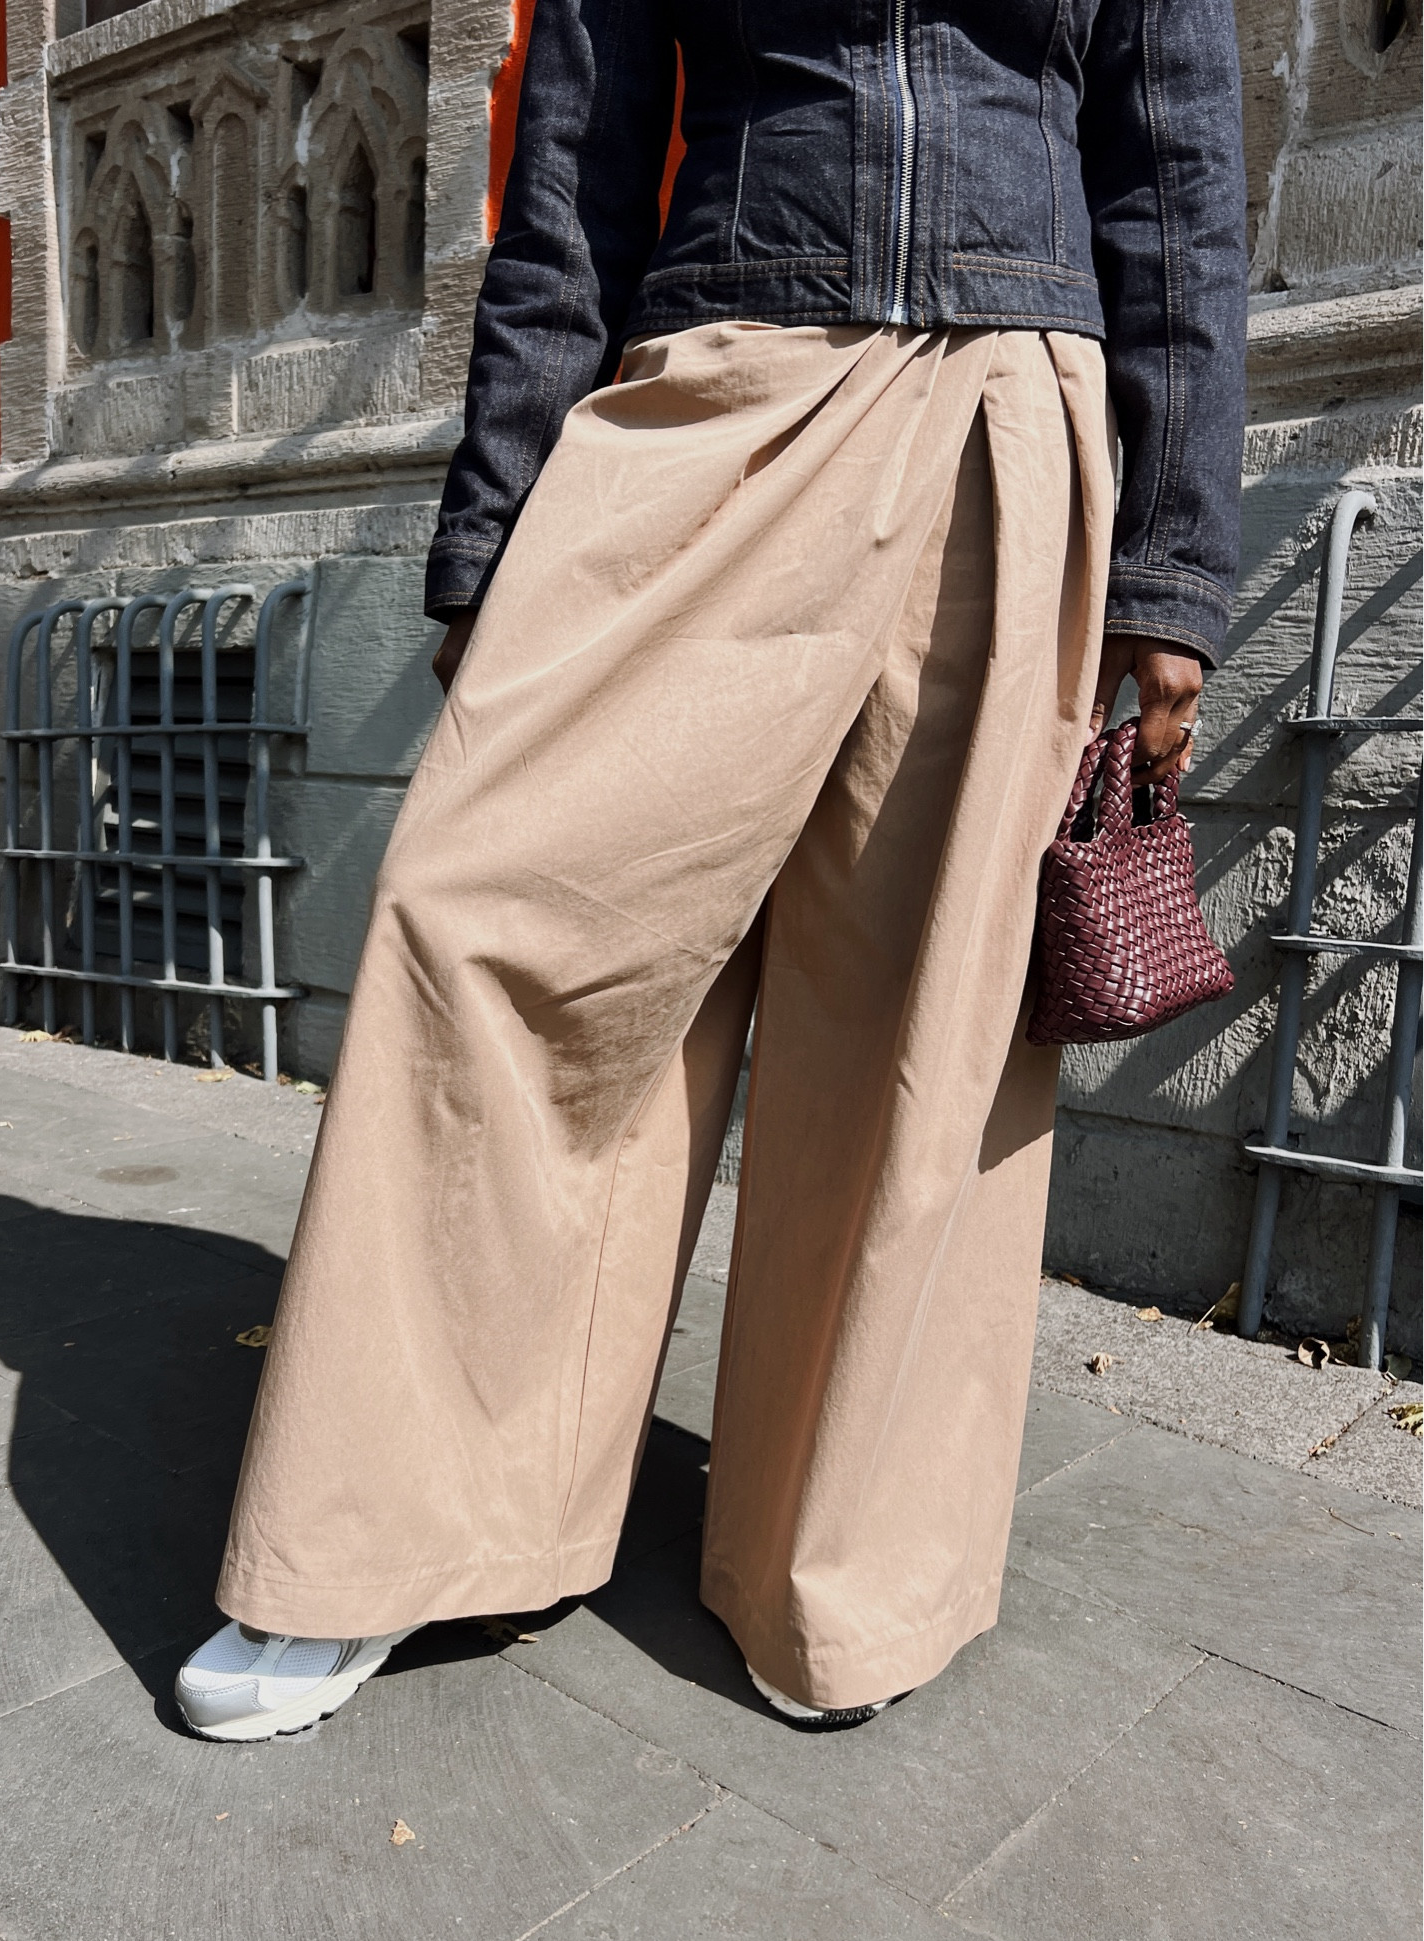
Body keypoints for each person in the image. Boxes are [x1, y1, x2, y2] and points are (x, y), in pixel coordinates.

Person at [174, 0, 1246, 1740]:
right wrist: (493, 529)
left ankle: (837, 1574)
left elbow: (1175, 171)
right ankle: (390, 1532)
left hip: (1007, 408)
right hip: (716, 389)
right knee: (490, 918)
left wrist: (1174, 564)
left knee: (916, 1033)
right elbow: (573, 175)